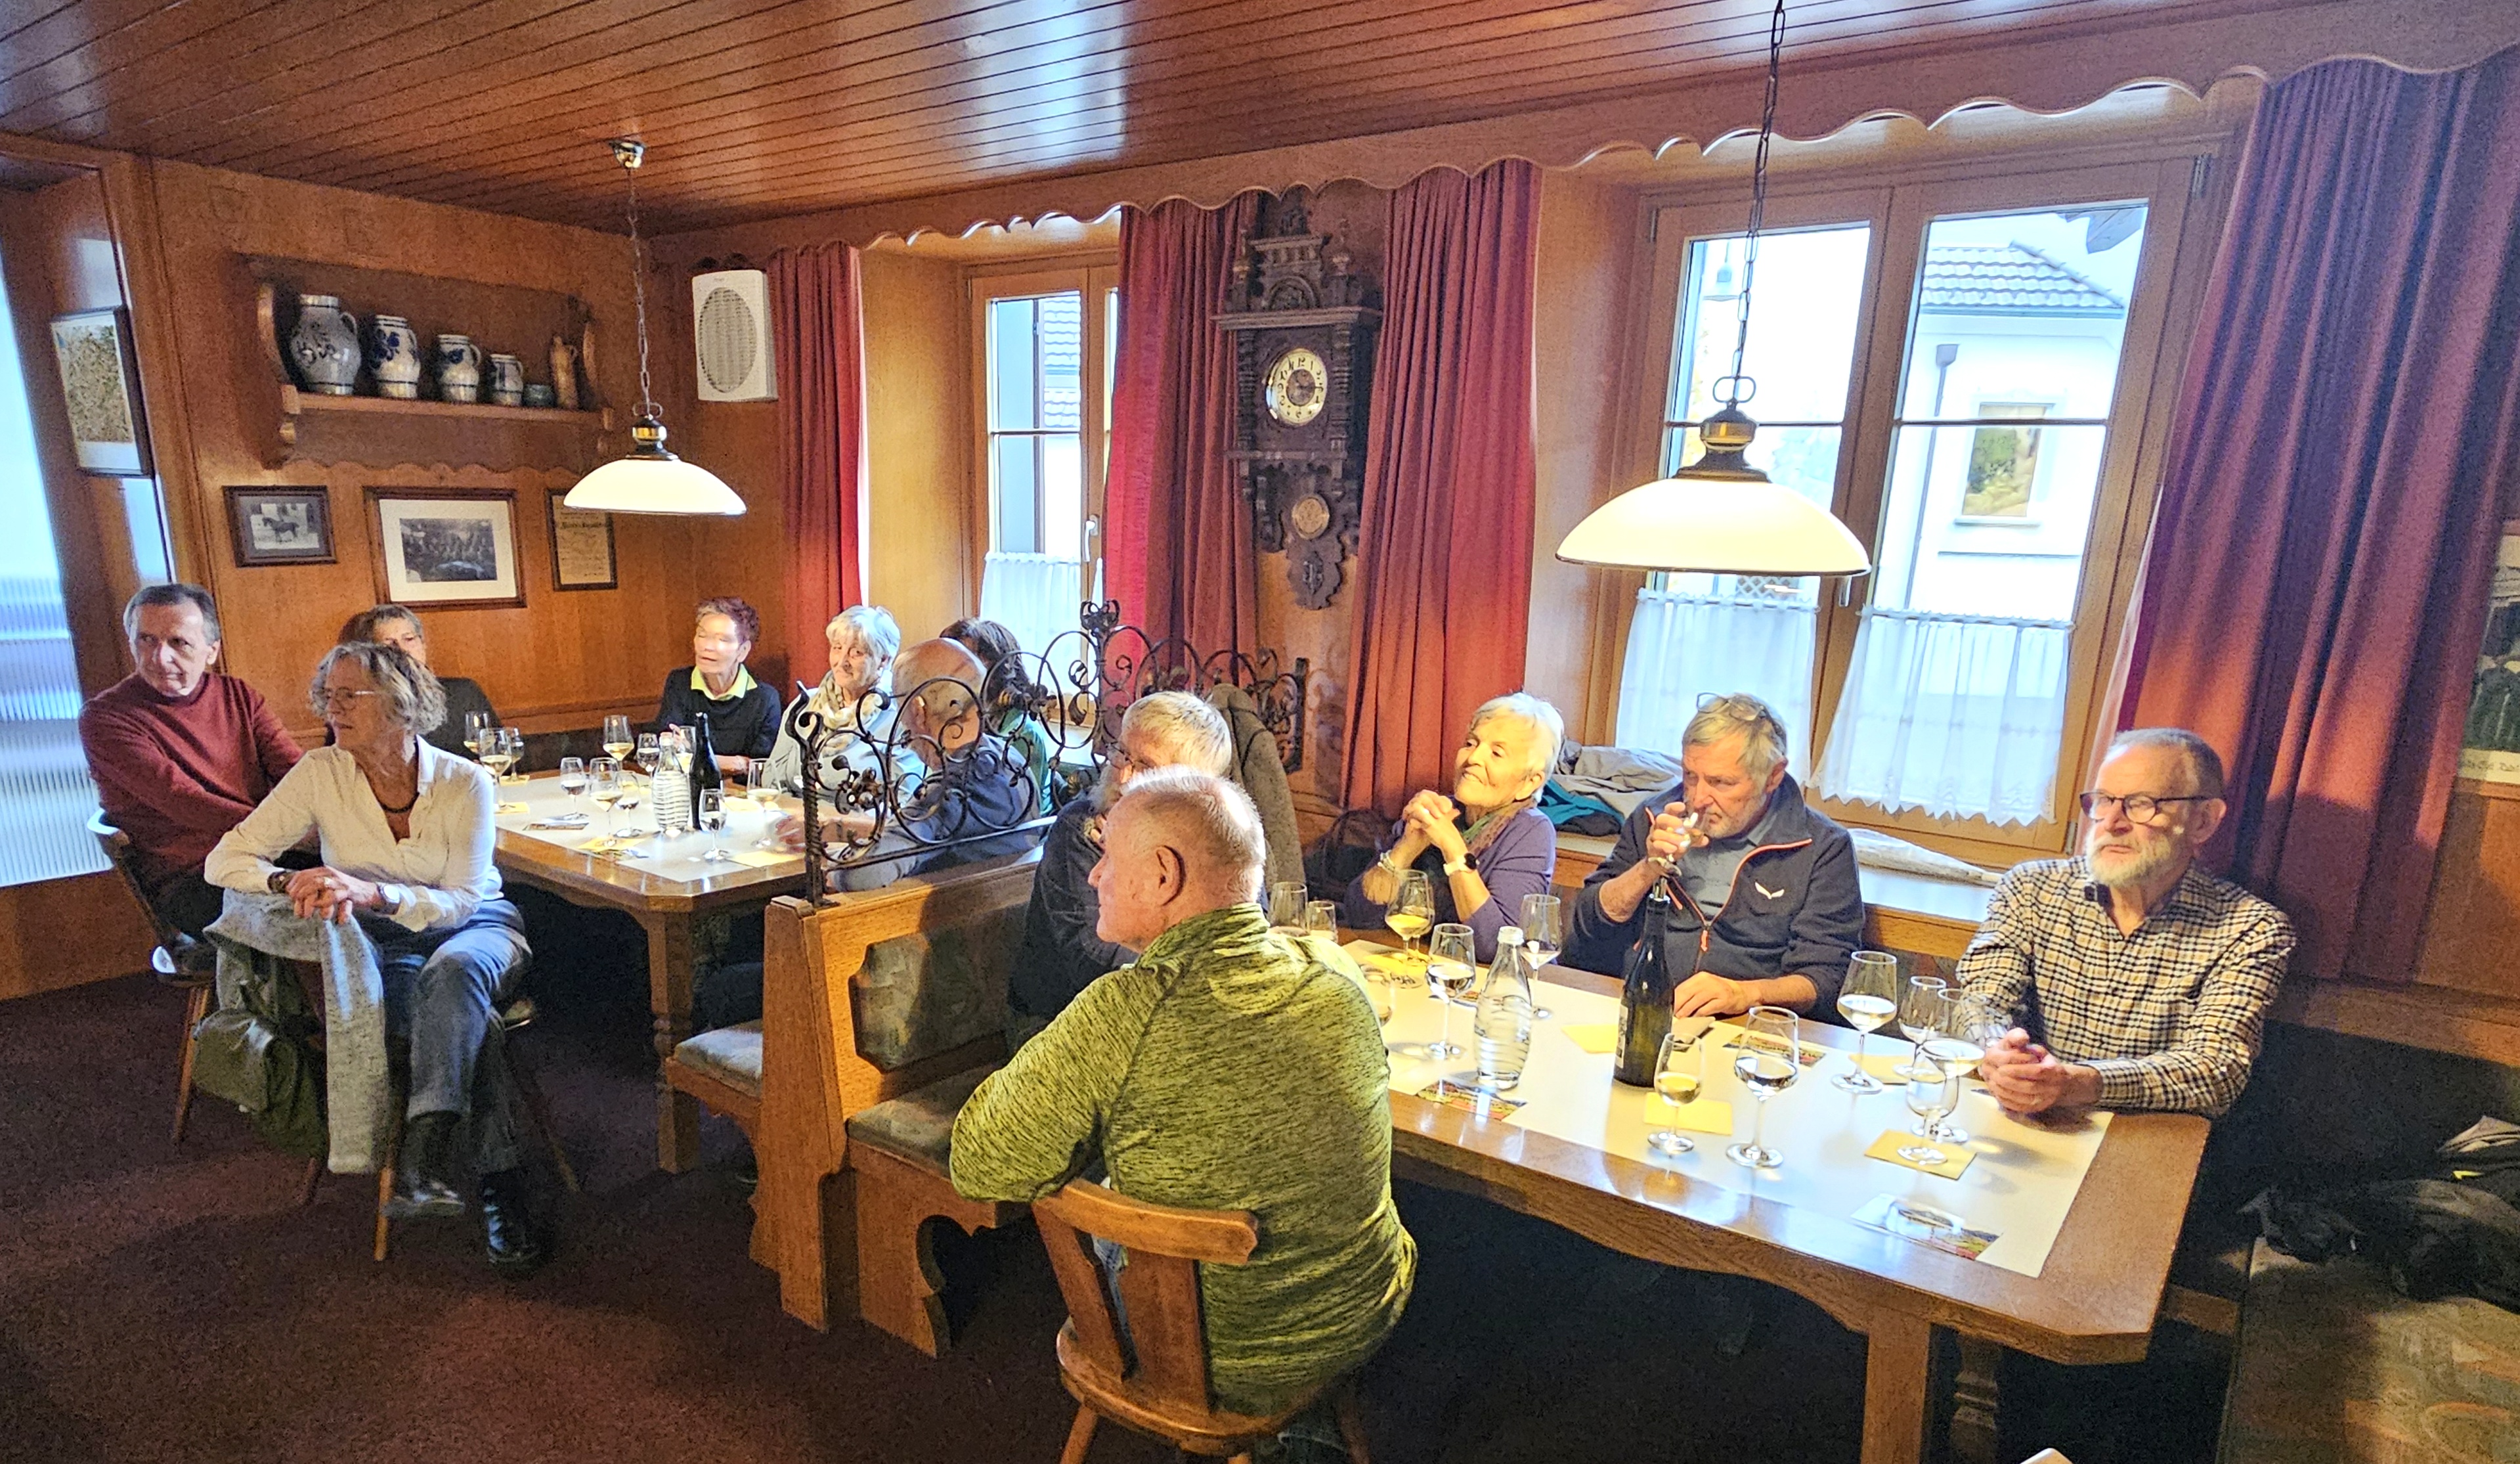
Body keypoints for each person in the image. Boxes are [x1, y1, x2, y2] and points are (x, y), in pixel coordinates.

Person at [951, 768, 1415, 1421]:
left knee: (1108, 1190)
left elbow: (978, 1163)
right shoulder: (1334, 973)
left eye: (1108, 856)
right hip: (1362, 1315)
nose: (1094, 875)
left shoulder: (1122, 1010)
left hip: (1211, 1359)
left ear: (1163, 875)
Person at [205, 640, 545, 1275]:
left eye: (348, 695)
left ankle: (430, 1152)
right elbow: (224, 859)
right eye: (326, 695)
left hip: (478, 927)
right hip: (386, 943)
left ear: (401, 704)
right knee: (472, 1022)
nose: (330, 708)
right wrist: (286, 879)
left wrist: (374, 893)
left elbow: (463, 902)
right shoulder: (320, 772)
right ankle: (498, 1185)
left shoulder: (466, 781)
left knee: (456, 972)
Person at [1960, 728, 2295, 1120]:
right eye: (2104, 801)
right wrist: (1997, 1052)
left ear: (2203, 821)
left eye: (2142, 804)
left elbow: (2216, 1069)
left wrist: (2078, 1084)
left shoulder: (2250, 929)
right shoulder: (2032, 888)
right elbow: (1983, 998)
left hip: (2143, 1135)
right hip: (2018, 1117)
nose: (2112, 822)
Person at [1565, 693, 1861, 1017]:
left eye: (1721, 783)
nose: (1698, 798)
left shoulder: (1822, 847)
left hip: (1749, 1023)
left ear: (1773, 776)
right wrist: (1648, 868)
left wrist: (1745, 994)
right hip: (1642, 1005)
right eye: (1691, 776)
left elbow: (1826, 979)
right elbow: (1587, 928)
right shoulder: (1654, 817)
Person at [79, 584, 302, 939]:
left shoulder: (238, 695)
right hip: (192, 878)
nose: (160, 657)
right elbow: (183, 800)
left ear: (211, 651)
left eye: (178, 643)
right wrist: (291, 833)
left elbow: (296, 771)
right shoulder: (106, 717)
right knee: (327, 912)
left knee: (369, 881)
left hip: (264, 854)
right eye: (146, 640)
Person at [1009, 690, 1235, 1038]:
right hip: (1059, 1024)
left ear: (1192, 786)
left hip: (1175, 1011)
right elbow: (1093, 959)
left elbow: (1247, 920)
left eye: (1146, 767)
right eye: (1122, 754)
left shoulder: (1218, 834)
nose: (1124, 776)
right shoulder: (1081, 830)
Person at [776, 638, 1040, 891]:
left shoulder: (948, 792)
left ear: (918, 710)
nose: (903, 726)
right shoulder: (1010, 760)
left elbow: (861, 874)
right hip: (999, 904)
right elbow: (927, 833)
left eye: (902, 710)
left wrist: (837, 873)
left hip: (952, 917)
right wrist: (835, 828)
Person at [1341, 692, 1563, 964]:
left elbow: (1494, 947)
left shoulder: (1531, 832)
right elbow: (1360, 916)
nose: (1473, 758)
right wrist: (1407, 848)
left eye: (1496, 753)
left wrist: (1453, 848)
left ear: (1529, 783)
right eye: (1471, 743)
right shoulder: (1436, 812)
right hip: (1422, 970)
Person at [762, 604, 902, 797]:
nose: (841, 662)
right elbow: (771, 781)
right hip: (793, 815)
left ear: (883, 660)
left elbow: (903, 799)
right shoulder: (805, 705)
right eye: (837, 648)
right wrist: (795, 813)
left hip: (859, 817)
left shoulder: (899, 716)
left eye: (856, 653)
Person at [337, 604, 497, 758]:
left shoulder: (465, 692)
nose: (402, 650)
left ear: (423, 644)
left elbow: (498, 751)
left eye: (409, 639)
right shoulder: (362, 703)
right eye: (389, 643)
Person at [654, 596, 781, 776]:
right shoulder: (680, 682)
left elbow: (761, 766)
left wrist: (695, 754)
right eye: (702, 635)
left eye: (722, 639)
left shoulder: (765, 698)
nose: (707, 646)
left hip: (741, 792)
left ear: (743, 651)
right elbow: (668, 748)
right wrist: (734, 762)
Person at [943, 617, 1057, 813]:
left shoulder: (1023, 733)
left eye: (965, 662)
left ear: (996, 668)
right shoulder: (954, 720)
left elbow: (1022, 810)